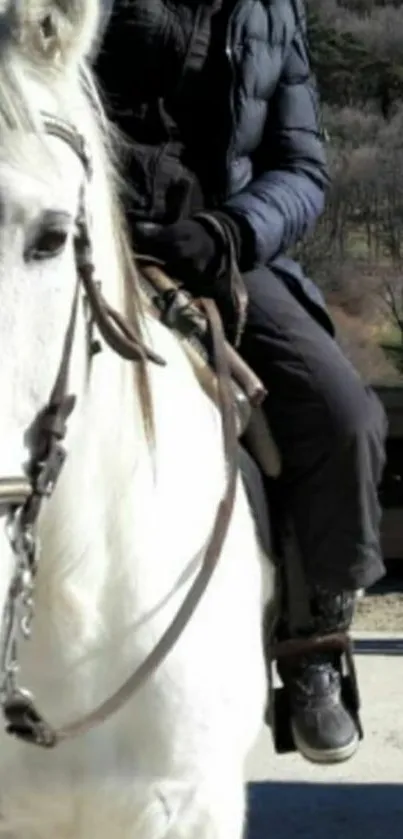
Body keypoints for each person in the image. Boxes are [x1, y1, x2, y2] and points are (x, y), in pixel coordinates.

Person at [94, 0, 387, 765]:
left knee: (343, 416)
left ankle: (312, 643)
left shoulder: (270, 13)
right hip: (78, 237)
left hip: (222, 252)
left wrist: (232, 230)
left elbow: (301, 168)